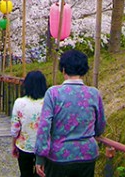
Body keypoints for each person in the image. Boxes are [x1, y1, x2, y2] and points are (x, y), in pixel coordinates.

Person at [34, 49, 106, 177]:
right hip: (87, 154)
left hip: (59, 155)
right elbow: (100, 125)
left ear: (63, 70)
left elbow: (44, 126)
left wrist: (40, 156)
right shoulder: (94, 93)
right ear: (84, 70)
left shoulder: (53, 93)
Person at [11, 70, 49, 176]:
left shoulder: (19, 102)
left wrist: (13, 144)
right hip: (45, 147)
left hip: (25, 145)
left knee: (25, 173)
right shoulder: (48, 102)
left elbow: (15, 128)